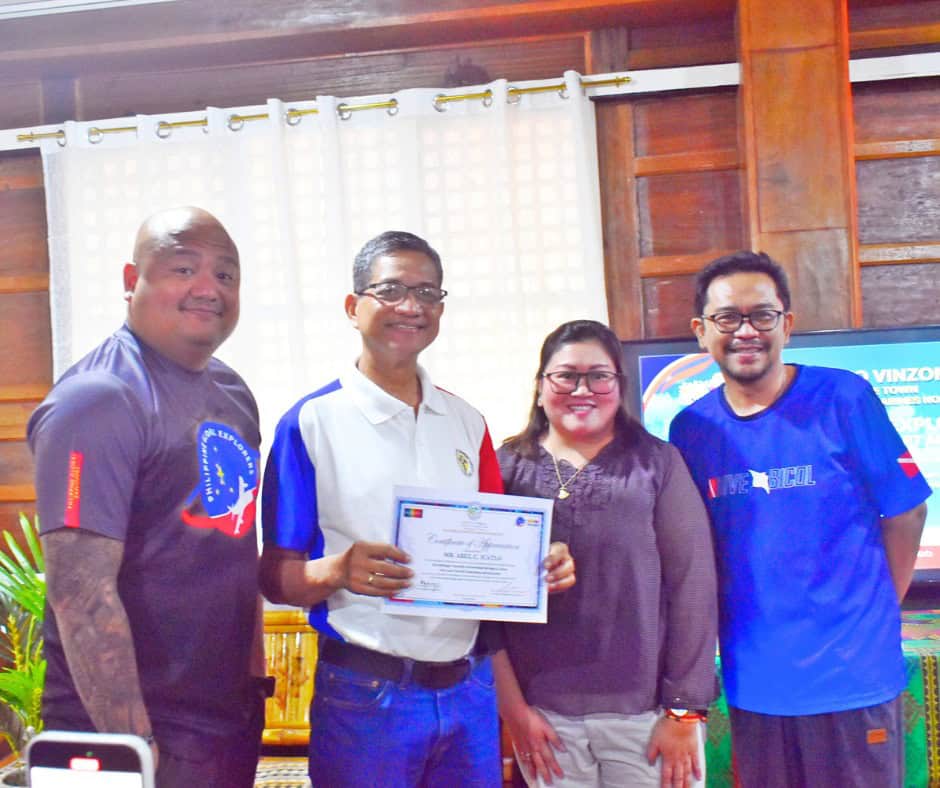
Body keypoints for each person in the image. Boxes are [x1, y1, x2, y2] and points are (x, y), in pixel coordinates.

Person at [259, 230, 575, 787]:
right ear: (353, 307)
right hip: (366, 693)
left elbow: (491, 546)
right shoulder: (311, 422)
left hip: (469, 690)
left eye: (428, 293)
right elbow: (274, 577)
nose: (411, 306)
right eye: (391, 290)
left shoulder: (466, 422)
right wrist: (337, 571)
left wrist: (539, 563)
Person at [669, 251, 931, 788]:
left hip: (853, 678)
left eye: (762, 315)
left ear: (786, 324)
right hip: (756, 686)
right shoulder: (691, 429)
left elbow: (906, 512)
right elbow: (693, 550)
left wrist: (876, 608)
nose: (746, 331)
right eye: (727, 317)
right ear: (701, 331)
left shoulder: (844, 397)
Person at [28, 207, 267, 788]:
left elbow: (235, 548)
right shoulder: (99, 398)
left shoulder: (232, 391)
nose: (208, 288)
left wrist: (254, 689)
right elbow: (80, 594)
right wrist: (135, 748)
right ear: (132, 280)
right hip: (127, 735)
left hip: (224, 721)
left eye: (226, 274)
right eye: (184, 268)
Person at [483, 319, 718, 788]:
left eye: (598, 376)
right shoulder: (506, 467)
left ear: (619, 386)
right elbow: (483, 603)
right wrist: (513, 709)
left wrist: (684, 711)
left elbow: (693, 586)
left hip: (647, 717)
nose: (581, 390)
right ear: (540, 387)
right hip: (543, 717)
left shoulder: (656, 464)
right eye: (565, 376)